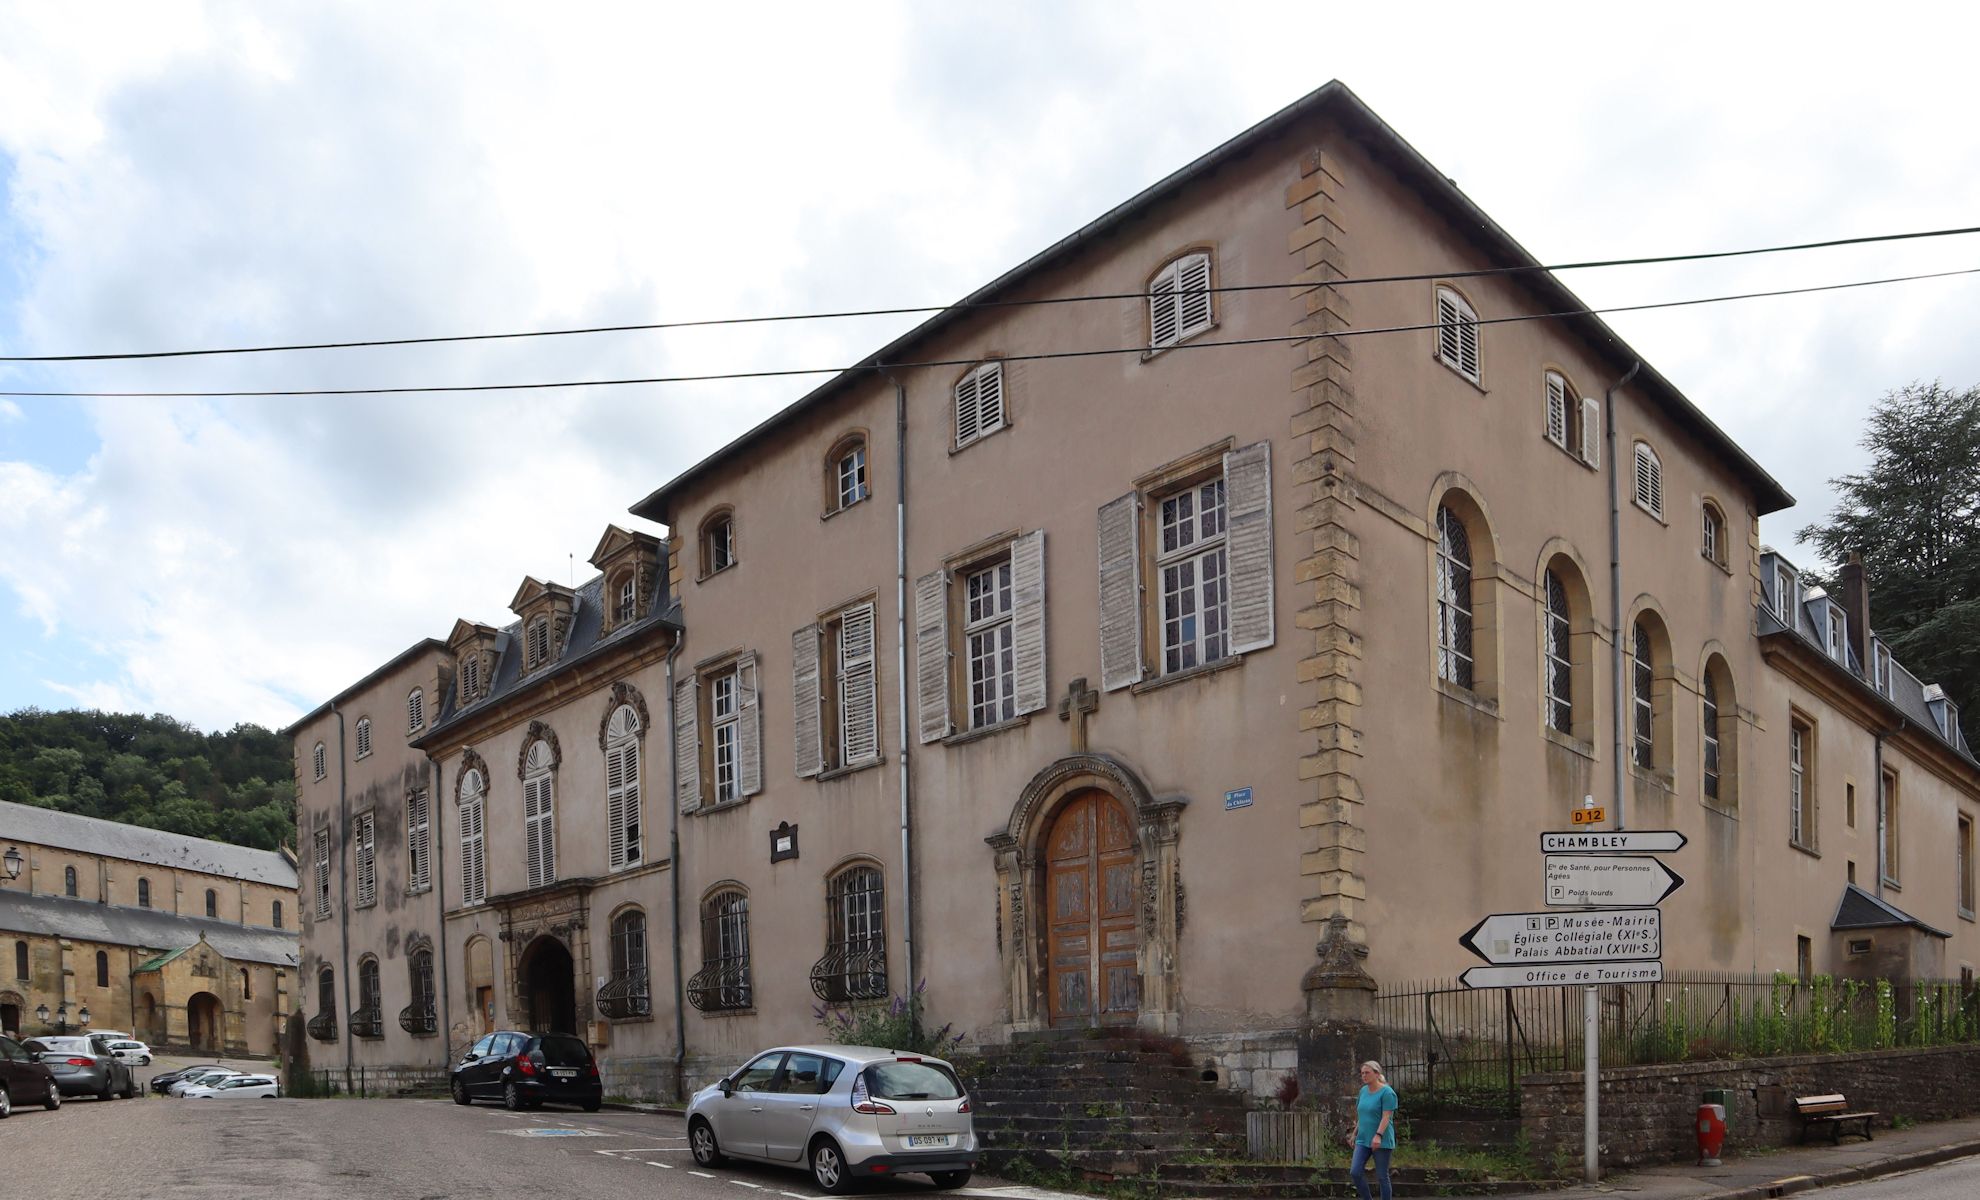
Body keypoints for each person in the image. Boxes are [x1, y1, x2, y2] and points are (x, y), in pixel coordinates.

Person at [1350, 1059, 1398, 1200]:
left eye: (1367, 1072)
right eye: (1362, 1073)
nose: (1364, 1075)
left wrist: (1378, 1135)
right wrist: (1354, 1133)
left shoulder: (1387, 1093)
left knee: (1382, 1176)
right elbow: (1362, 1115)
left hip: (1381, 1140)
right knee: (1355, 1172)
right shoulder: (1363, 1091)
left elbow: (1386, 1117)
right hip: (1363, 1139)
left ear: (1377, 1074)